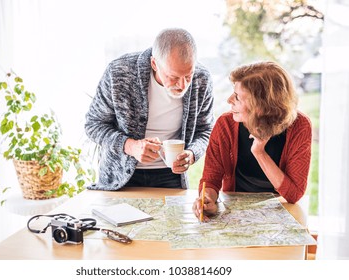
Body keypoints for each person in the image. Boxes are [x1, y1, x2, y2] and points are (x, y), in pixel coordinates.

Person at [85, 28, 214, 190]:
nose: (183, 85)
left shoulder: (202, 78)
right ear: (154, 63)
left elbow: (206, 130)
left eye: (188, 76)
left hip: (171, 175)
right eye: (173, 77)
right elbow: (93, 125)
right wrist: (130, 146)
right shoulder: (119, 72)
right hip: (120, 177)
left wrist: (192, 154)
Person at [193, 61, 312, 222]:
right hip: (235, 211)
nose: (229, 100)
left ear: (261, 106)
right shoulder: (225, 124)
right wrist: (207, 198)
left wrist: (259, 152)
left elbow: (293, 195)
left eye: (237, 97)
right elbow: (211, 178)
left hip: (280, 211)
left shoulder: (300, 126)